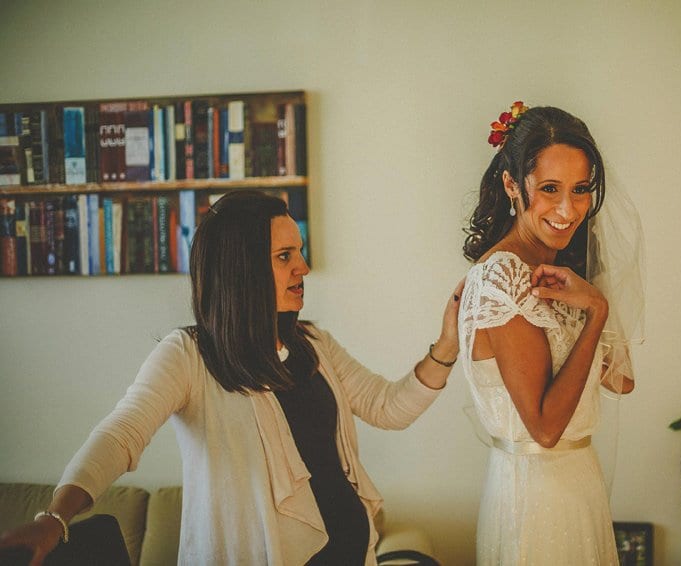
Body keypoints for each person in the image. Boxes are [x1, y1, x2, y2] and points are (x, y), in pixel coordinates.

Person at [0, 190, 464, 566]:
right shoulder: (187, 356)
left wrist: (447, 342)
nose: (303, 267)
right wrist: (54, 518)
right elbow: (121, 434)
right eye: (285, 256)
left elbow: (388, 407)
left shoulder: (314, 343)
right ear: (240, 270)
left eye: (298, 252)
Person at [459, 102, 645, 565]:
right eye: (549, 189)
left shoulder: (561, 273)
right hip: (534, 495)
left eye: (581, 189)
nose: (568, 209)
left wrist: (592, 288)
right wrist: (596, 313)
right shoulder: (501, 278)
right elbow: (543, 428)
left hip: (579, 481)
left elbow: (621, 380)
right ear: (511, 185)